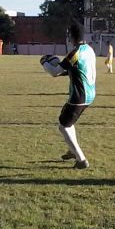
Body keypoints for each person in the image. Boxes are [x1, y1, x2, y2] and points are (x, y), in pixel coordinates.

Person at [43, 23, 96, 170]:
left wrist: (44, 62)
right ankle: (73, 151)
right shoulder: (89, 50)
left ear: (71, 36)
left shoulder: (74, 53)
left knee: (63, 126)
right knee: (68, 123)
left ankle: (81, 159)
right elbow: (77, 70)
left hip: (79, 96)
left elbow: (55, 72)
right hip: (90, 94)